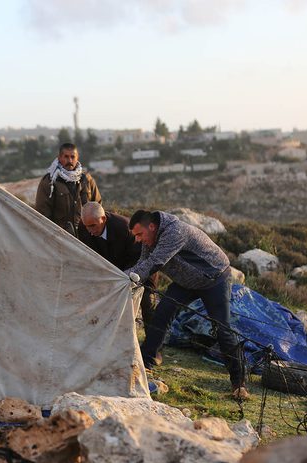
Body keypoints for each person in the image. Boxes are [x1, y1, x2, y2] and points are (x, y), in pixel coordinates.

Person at [125, 210, 248, 399]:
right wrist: (124, 276)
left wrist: (129, 277)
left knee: (222, 328)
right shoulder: (150, 238)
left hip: (213, 278)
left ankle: (239, 384)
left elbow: (156, 262)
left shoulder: (175, 232)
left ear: (151, 226)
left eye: (140, 234)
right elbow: (144, 262)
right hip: (186, 281)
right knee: (162, 314)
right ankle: (146, 366)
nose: (139, 240)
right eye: (135, 236)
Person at [79, 203, 157, 353]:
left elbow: (138, 257)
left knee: (147, 304)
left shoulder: (123, 227)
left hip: (140, 267)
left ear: (103, 219)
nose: (89, 230)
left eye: (93, 226)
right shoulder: (84, 228)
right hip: (112, 271)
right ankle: (106, 341)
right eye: (86, 226)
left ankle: (152, 351)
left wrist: (123, 277)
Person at [35, 143, 101, 235]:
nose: (69, 160)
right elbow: (43, 214)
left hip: (86, 236)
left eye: (72, 157)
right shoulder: (50, 181)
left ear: (77, 158)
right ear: (59, 158)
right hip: (62, 238)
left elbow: (98, 207)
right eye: (66, 156)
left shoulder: (86, 179)